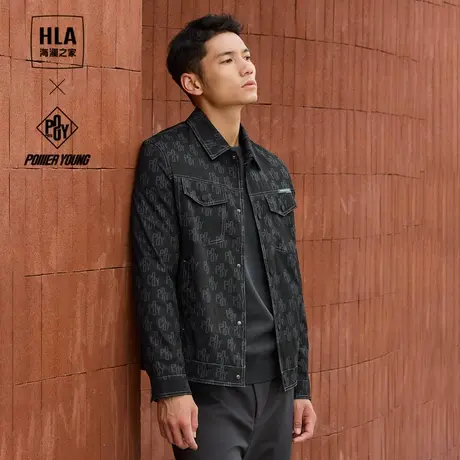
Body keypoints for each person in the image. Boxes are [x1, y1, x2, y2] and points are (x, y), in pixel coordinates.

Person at [130, 13, 317, 460]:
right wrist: (170, 386)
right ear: (192, 82)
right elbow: (154, 275)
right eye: (228, 60)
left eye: (246, 56)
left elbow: (289, 283)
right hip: (209, 389)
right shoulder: (166, 158)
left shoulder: (272, 170)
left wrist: (300, 385)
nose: (247, 67)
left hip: (277, 385)